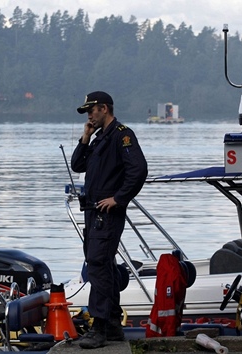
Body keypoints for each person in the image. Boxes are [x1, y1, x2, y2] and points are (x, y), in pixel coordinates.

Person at [71, 91, 148, 349]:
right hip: (92, 213)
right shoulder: (99, 138)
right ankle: (114, 324)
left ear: (104, 108)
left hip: (107, 214)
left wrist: (118, 198)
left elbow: (138, 170)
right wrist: (86, 136)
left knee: (98, 265)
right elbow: (77, 165)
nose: (90, 115)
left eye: (92, 110)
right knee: (103, 265)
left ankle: (100, 326)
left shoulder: (122, 135)